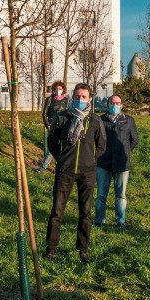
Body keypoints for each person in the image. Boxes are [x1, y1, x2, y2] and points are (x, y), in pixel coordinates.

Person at [45, 83, 106, 264]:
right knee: (57, 211)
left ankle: (83, 249)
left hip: (87, 173)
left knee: (85, 213)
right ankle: (51, 248)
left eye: (84, 97)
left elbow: (102, 146)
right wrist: (62, 159)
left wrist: (90, 160)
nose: (80, 100)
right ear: (73, 97)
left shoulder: (95, 121)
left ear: (90, 99)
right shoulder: (62, 118)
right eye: (78, 97)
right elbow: (52, 142)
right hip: (65, 170)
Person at [94, 95, 138, 231]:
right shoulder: (100, 120)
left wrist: (124, 151)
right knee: (101, 194)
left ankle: (121, 221)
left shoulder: (129, 121)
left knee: (121, 195)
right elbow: (95, 140)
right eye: (113, 103)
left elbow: (134, 140)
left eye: (118, 103)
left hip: (121, 164)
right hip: (103, 163)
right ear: (107, 105)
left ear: (122, 105)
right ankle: (99, 221)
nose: (115, 105)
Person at [37, 81, 69, 173]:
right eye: (56, 89)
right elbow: (44, 114)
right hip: (52, 126)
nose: (58, 90)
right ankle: (43, 167)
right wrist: (48, 125)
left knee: (61, 148)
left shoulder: (66, 101)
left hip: (62, 127)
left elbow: (68, 113)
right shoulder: (50, 99)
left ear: (63, 90)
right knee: (51, 148)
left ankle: (57, 168)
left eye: (60, 89)